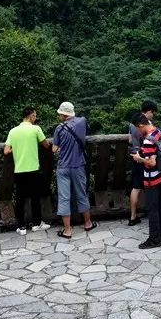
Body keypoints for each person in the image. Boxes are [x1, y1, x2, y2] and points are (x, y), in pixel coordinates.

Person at [51, 101, 97, 239]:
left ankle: (67, 230)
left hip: (63, 167)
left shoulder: (59, 129)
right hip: (78, 166)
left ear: (64, 115)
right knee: (82, 193)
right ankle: (88, 223)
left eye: (60, 114)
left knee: (64, 197)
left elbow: (54, 149)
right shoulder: (82, 122)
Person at [3, 107, 51, 235]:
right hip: (33, 169)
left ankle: (21, 227)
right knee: (35, 196)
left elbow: (6, 151)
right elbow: (46, 145)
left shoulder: (13, 131)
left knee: (20, 198)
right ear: (30, 116)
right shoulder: (36, 129)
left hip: (19, 170)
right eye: (35, 115)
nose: (36, 118)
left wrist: (17, 148)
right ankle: (36, 224)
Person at [131, 112, 161, 248]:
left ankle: (154, 239)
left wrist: (138, 158)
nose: (138, 131)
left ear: (141, 125)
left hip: (151, 179)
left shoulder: (147, 140)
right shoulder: (157, 132)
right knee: (159, 207)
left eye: (137, 128)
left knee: (152, 209)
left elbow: (151, 163)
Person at [128, 100, 157, 226]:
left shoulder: (132, 123)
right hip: (145, 157)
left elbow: (130, 140)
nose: (153, 116)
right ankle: (152, 213)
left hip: (134, 155)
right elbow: (151, 141)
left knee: (136, 187)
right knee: (150, 185)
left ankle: (133, 216)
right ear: (149, 111)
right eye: (153, 113)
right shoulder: (147, 124)